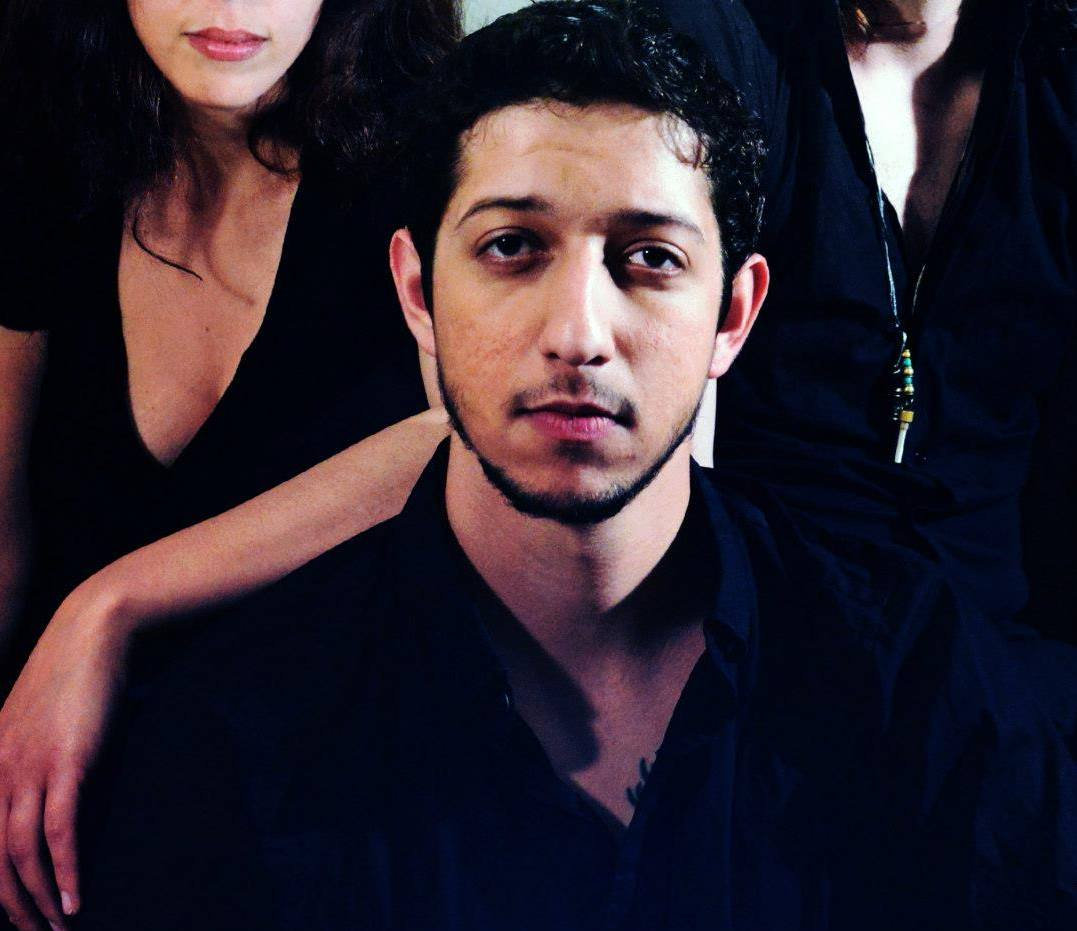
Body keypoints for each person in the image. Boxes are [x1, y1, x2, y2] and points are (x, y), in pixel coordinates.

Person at [74, 4, 1076, 928]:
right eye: (513, 247)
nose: (578, 335)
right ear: (417, 292)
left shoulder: (944, 703)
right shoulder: (232, 739)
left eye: (649, 259)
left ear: (734, 313)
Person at [0, 2, 458, 928]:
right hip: (59, 842)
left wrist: (109, 604)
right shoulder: (49, 145)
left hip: (318, 834)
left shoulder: (427, 144)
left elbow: (469, 434)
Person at [653, 0, 1077, 639]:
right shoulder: (718, 36)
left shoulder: (1058, 69)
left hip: (1001, 639)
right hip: (765, 620)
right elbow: (667, 429)